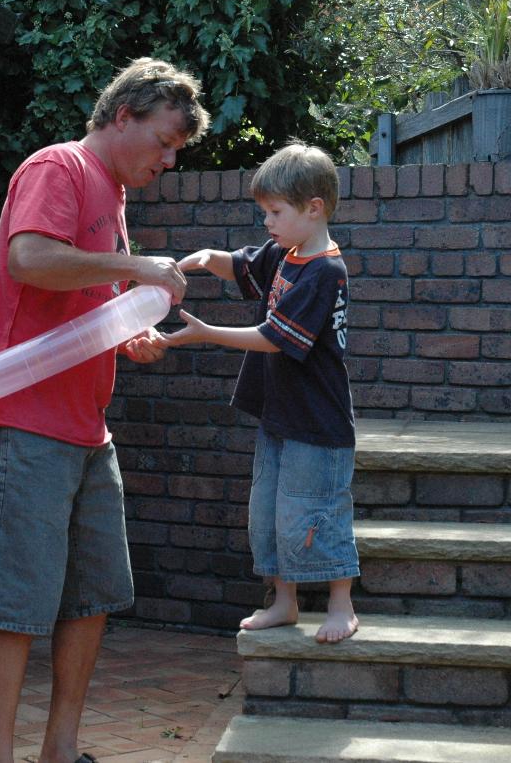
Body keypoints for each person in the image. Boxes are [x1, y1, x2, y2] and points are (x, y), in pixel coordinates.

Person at [0, 57, 209, 763]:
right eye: (164, 141)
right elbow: (31, 260)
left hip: (86, 429)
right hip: (19, 424)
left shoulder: (114, 196)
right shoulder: (58, 167)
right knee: (15, 607)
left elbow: (81, 302)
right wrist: (135, 268)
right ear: (124, 115)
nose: (168, 160)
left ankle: (59, 751)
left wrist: (127, 336)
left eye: (176, 150)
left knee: (93, 595)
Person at [158, 141, 360, 644]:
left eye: (275, 212)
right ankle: (284, 601)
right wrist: (208, 258)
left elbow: (274, 338)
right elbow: (242, 265)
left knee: (318, 508)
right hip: (280, 413)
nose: (266, 222)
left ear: (314, 209)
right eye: (265, 212)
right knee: (270, 512)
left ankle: (342, 605)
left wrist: (207, 333)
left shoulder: (325, 271)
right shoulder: (286, 253)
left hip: (318, 420)